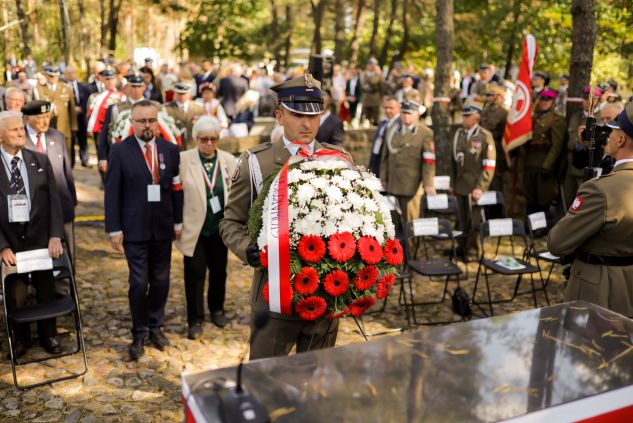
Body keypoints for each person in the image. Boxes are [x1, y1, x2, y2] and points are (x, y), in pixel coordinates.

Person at [220, 74, 351, 360]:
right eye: (297, 115)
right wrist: (247, 249)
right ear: (279, 116)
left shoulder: (338, 159)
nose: (307, 124)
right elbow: (230, 222)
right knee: (265, 379)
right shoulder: (256, 162)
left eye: (314, 115)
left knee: (316, 380)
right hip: (275, 296)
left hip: (326, 293)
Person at [104, 100, 184, 360]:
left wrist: (178, 222)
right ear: (132, 122)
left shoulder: (170, 150)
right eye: (141, 121)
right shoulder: (119, 151)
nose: (147, 125)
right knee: (139, 283)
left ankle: (155, 326)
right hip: (133, 229)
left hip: (162, 228)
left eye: (151, 120)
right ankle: (138, 332)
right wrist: (114, 229)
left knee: (161, 281)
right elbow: (112, 193)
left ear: (157, 121)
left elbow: (176, 189)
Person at [547, 101, 633, 318]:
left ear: (621, 139)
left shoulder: (600, 189)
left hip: (600, 291)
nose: (608, 136)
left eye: (612, 131)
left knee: (588, 349)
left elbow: (557, 243)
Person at [0, 110, 65, 358]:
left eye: (20, 128)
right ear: (0, 135)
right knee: (16, 295)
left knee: (46, 290)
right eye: (14, 129)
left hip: (41, 241)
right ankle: (20, 339)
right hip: (11, 244)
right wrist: (1, 246)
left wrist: (55, 235)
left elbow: (53, 201)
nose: (20, 133)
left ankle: (49, 335)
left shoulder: (39, 160)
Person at [176, 116, 236, 338]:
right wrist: (176, 223)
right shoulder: (183, 160)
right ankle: (195, 319)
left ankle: (217, 309)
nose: (209, 144)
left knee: (219, 272)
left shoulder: (229, 160)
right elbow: (175, 195)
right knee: (194, 274)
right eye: (204, 139)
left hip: (219, 228)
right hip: (195, 228)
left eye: (213, 139)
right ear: (196, 139)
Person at [22, 100, 77, 258]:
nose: (45, 121)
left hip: (62, 203)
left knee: (68, 249)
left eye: (47, 116)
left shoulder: (56, 136)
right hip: (36, 208)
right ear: (26, 119)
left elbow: (66, 170)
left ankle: (68, 276)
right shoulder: (21, 140)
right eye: (39, 118)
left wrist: (72, 199)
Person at [379, 100, 436, 223]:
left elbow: (429, 161)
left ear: (417, 114)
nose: (406, 116)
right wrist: (383, 177)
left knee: (411, 222)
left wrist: (428, 183)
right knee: (394, 222)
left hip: (412, 185)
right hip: (393, 182)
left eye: (410, 113)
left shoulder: (425, 133)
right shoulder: (392, 130)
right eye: (404, 113)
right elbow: (385, 156)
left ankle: (412, 243)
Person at [451, 101, 496, 253]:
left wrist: (480, 187)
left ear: (477, 117)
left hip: (475, 186)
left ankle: (473, 249)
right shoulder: (459, 134)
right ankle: (461, 247)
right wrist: (452, 183)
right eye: (463, 116)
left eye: (468, 116)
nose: (464, 119)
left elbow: (489, 165)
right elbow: (453, 161)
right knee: (462, 219)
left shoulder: (484, 136)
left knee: (474, 220)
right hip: (460, 184)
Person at [522, 89, 566, 214]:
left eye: (548, 100)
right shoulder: (534, 117)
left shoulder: (557, 120)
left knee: (543, 198)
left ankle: (540, 227)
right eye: (542, 99)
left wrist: (547, 165)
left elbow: (556, 146)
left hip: (544, 163)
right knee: (530, 197)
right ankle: (530, 226)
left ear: (553, 102)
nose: (544, 102)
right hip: (530, 161)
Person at [34, 65, 78, 154]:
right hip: (46, 128)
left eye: (55, 76)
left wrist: (74, 127)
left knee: (65, 153)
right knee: (48, 153)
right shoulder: (39, 89)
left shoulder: (66, 88)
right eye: (50, 76)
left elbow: (72, 110)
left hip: (64, 128)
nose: (53, 78)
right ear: (46, 75)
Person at [480, 85, 508, 193]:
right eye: (488, 95)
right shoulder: (485, 110)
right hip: (482, 148)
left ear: (500, 97)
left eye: (492, 95)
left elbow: (503, 134)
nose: (489, 98)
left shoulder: (503, 113)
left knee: (495, 180)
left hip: (495, 149)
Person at [64, 66, 92, 167]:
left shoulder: (84, 87)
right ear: (65, 75)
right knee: (70, 139)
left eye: (72, 73)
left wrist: (81, 108)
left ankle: (85, 159)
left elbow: (88, 101)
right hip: (69, 118)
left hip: (82, 117)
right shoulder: (63, 87)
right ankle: (71, 162)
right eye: (68, 73)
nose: (70, 75)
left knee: (83, 139)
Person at [164, 82, 204, 151]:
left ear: (189, 94)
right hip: (175, 146)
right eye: (179, 93)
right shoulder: (167, 109)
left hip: (194, 145)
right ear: (175, 93)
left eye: (184, 93)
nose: (182, 96)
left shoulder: (198, 108)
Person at [368, 96, 400, 176]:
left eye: (391, 108)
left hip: (389, 168)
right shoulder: (383, 123)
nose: (387, 110)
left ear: (398, 108)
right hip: (376, 164)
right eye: (385, 108)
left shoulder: (400, 125)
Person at [360, 59, 383, 125]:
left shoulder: (379, 74)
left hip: (376, 98)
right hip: (366, 98)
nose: (372, 67)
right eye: (371, 65)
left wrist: (378, 75)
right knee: (366, 117)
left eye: (374, 65)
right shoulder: (363, 74)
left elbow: (381, 86)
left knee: (375, 118)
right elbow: (363, 86)